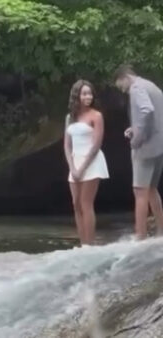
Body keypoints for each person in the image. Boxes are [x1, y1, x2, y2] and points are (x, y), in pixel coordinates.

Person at [114, 65, 163, 239]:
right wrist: (135, 128)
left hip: (145, 149)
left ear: (125, 77)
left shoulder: (136, 88)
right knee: (152, 189)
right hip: (159, 147)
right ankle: (160, 232)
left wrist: (138, 138)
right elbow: (155, 116)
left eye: (119, 84)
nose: (121, 88)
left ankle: (140, 235)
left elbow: (147, 110)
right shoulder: (151, 86)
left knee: (140, 191)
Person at [64, 80, 109, 245]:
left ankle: (90, 244)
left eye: (90, 93)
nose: (88, 97)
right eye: (84, 93)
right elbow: (67, 146)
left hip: (91, 161)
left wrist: (82, 168)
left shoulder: (96, 116)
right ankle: (83, 243)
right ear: (77, 95)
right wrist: (72, 167)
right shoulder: (70, 117)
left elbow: (97, 145)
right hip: (75, 161)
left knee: (85, 203)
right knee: (76, 204)